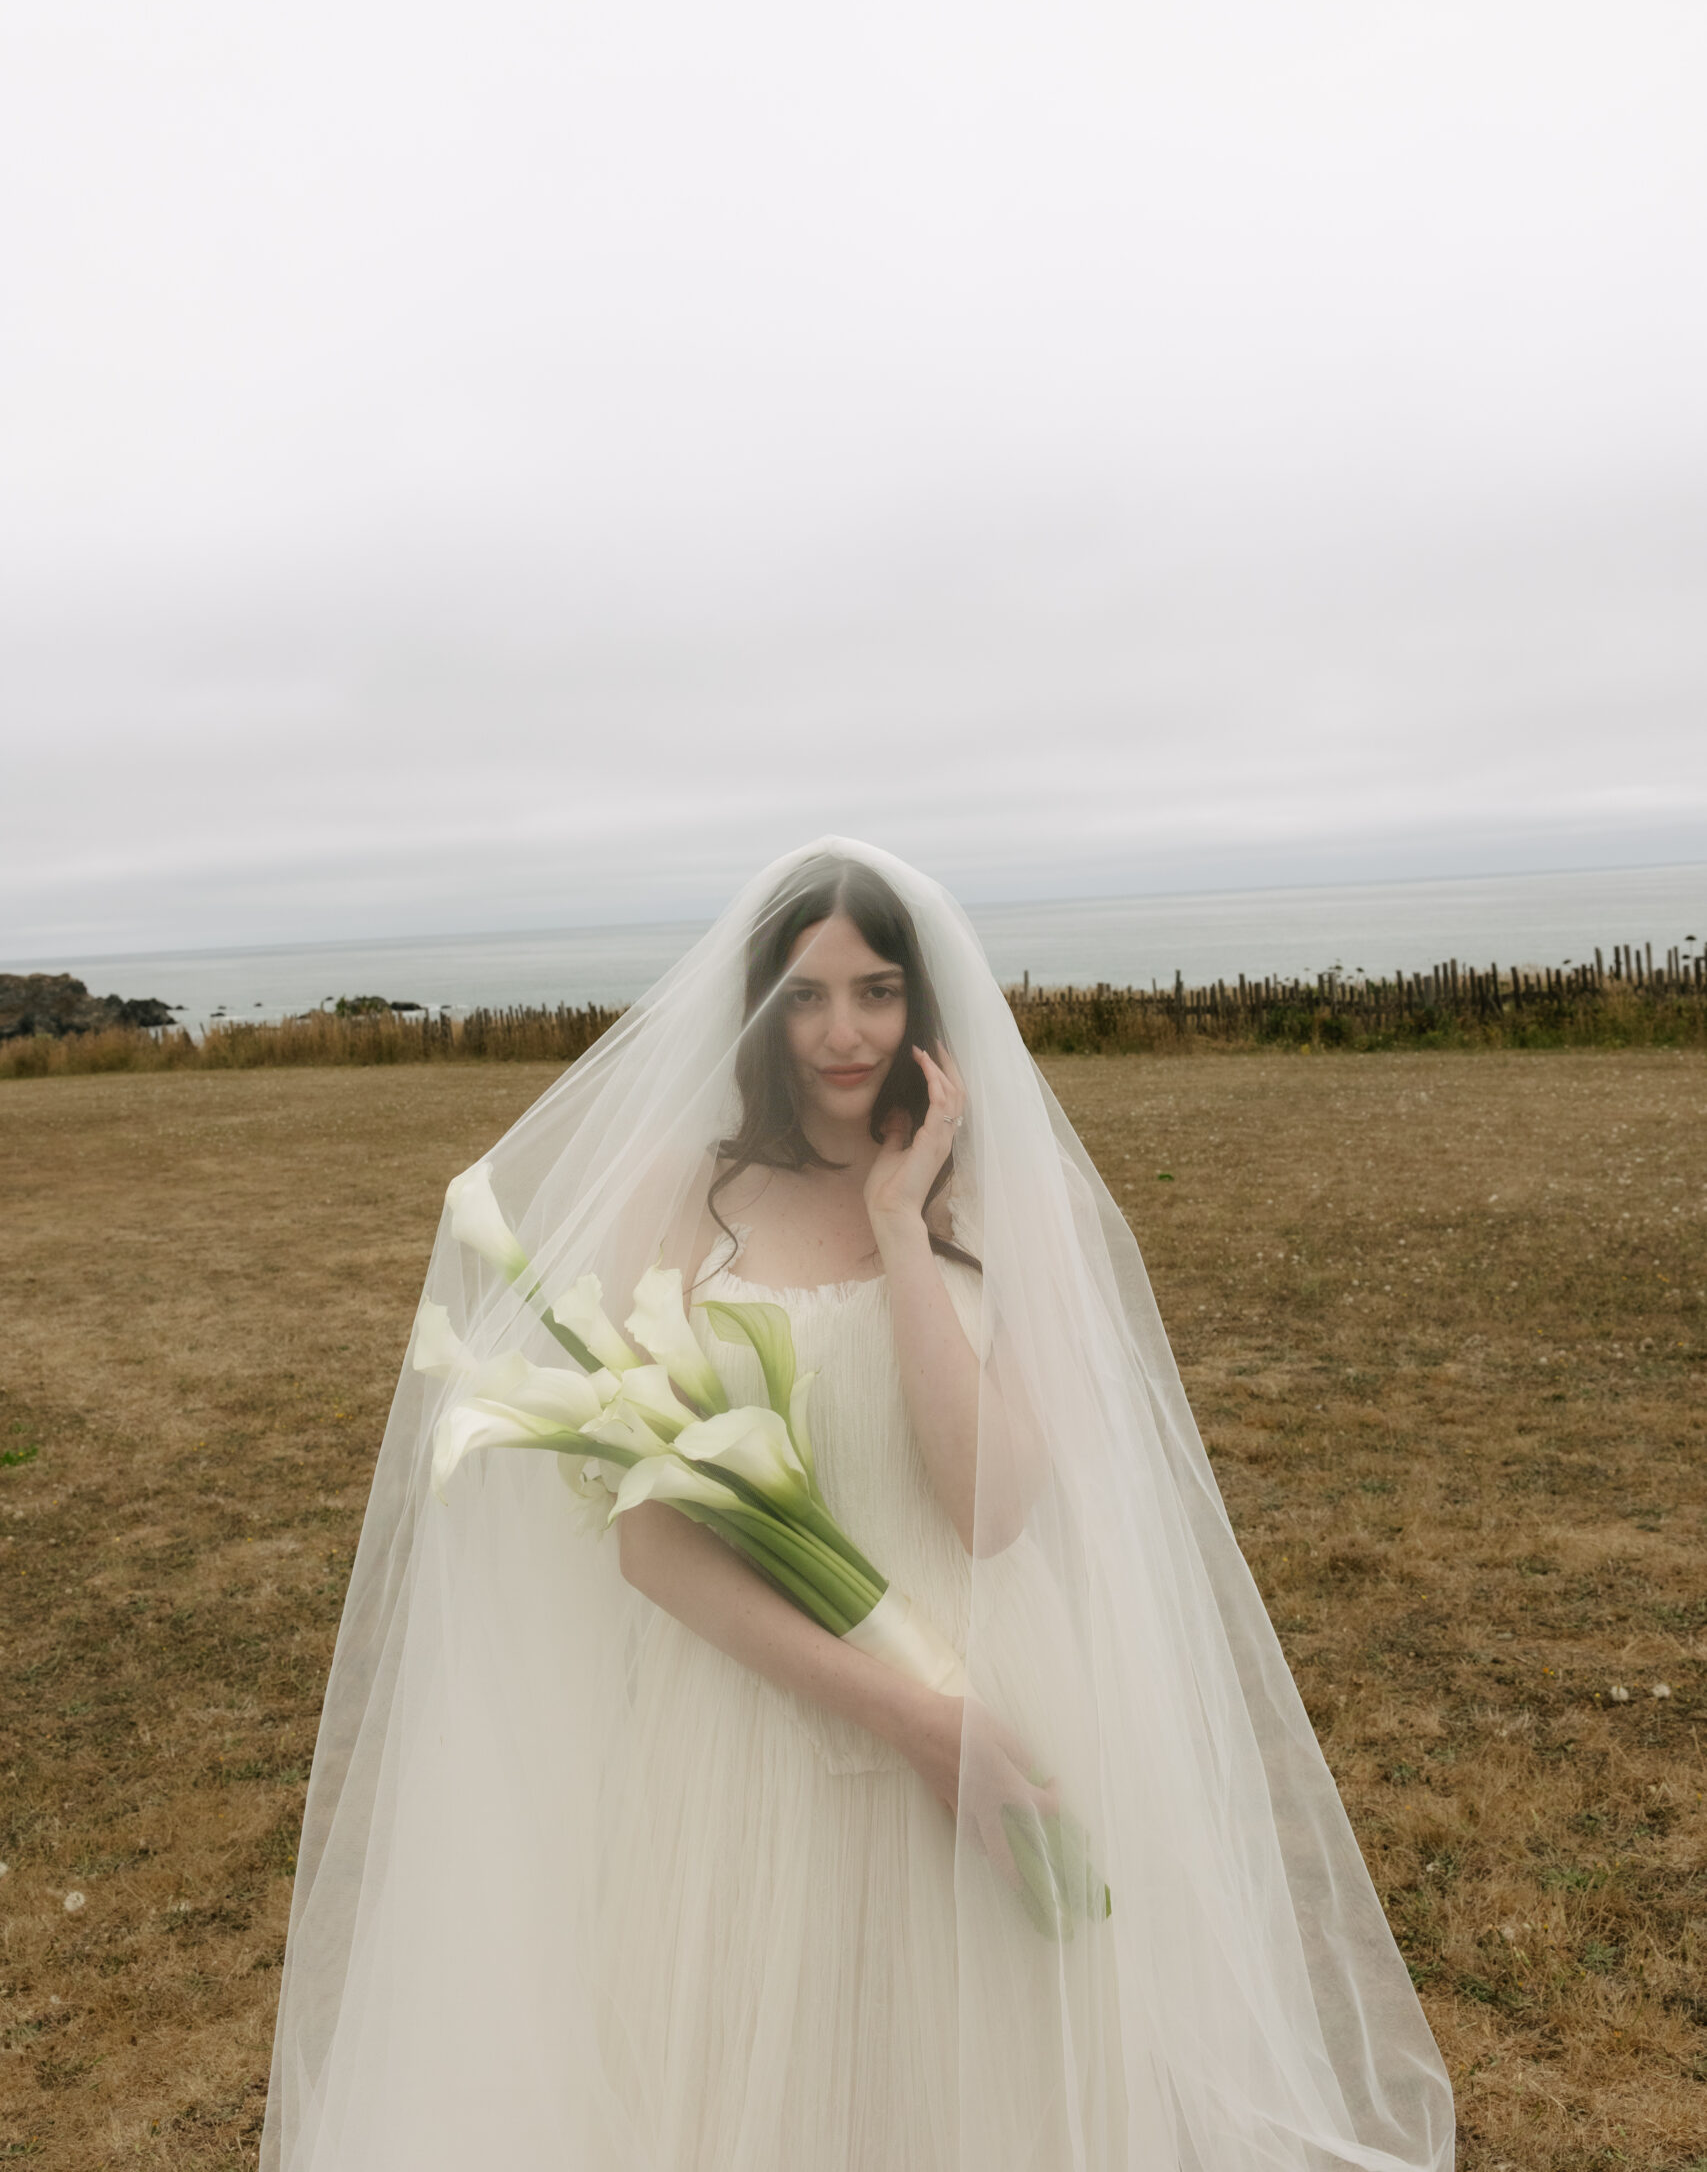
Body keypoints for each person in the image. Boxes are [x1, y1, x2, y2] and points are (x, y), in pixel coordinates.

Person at [262, 840, 1454, 2172]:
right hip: (744, 1736)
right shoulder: (684, 1198)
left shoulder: (1013, 1203)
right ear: (761, 1005)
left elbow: (989, 1507)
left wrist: (902, 1226)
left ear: (923, 1006)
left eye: (877, 990)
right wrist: (917, 1724)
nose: (843, 1032)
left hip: (996, 1689)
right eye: (809, 991)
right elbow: (652, 1546)